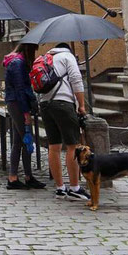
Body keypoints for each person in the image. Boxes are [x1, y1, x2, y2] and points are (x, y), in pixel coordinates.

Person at [39, 42, 91, 201]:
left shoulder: (45, 58)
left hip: (45, 104)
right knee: (73, 146)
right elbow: (76, 79)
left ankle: (60, 188)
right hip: (63, 104)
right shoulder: (67, 56)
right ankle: (74, 187)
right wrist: (81, 105)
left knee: (54, 146)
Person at [3, 44, 47, 190]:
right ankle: (22, 177)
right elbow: (20, 89)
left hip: (14, 102)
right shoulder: (18, 63)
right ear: (28, 50)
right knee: (27, 140)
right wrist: (26, 112)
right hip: (17, 104)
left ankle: (16, 177)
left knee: (18, 141)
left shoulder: (15, 61)